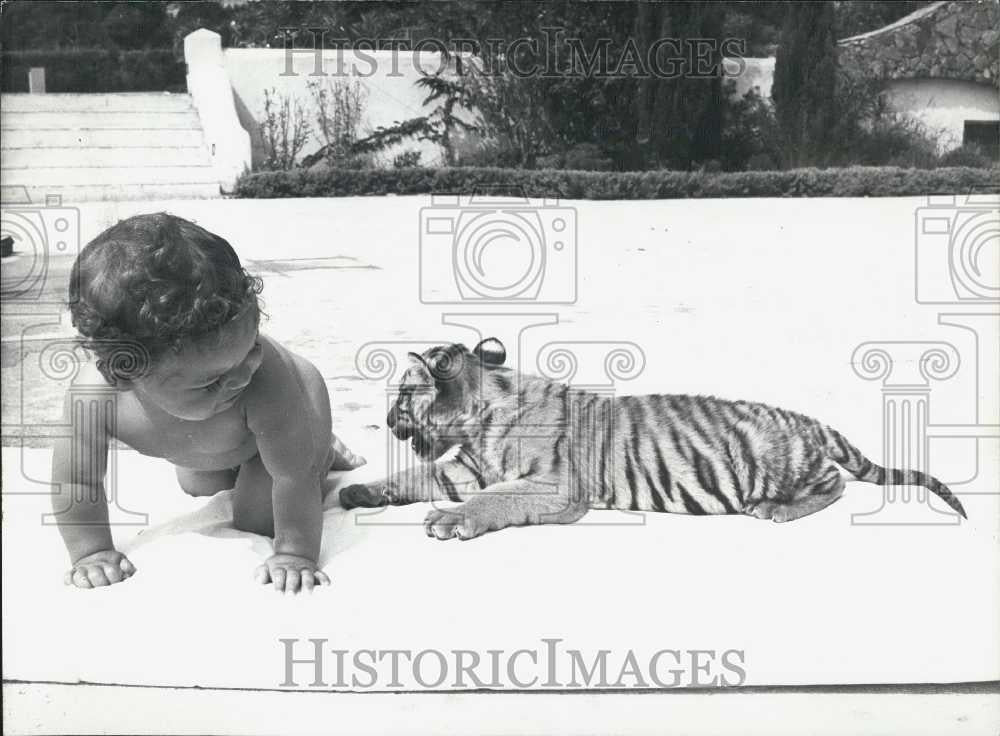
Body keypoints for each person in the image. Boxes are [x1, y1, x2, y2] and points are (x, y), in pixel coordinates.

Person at [51, 213, 364, 593]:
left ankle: (321, 446)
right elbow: (76, 480)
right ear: (127, 372)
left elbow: (291, 477)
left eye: (252, 345)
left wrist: (295, 554)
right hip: (213, 443)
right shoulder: (95, 398)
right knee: (200, 484)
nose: (245, 371)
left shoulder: (266, 376)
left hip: (293, 411)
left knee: (258, 516)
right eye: (212, 380)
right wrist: (90, 552)